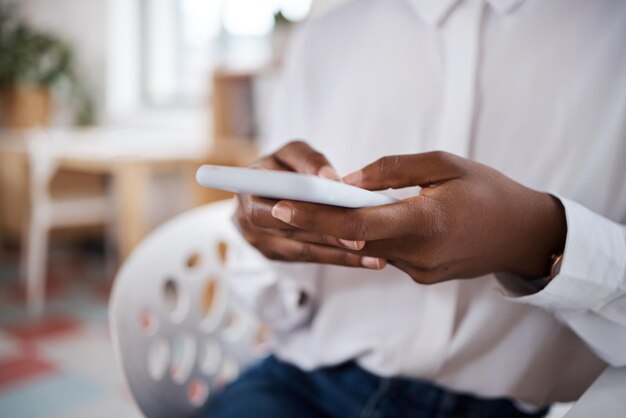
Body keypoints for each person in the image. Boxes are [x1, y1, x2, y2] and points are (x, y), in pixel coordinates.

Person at [203, 0, 626, 417]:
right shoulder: (324, 36)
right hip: (303, 385)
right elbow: (270, 301)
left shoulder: (612, 33)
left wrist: (537, 239)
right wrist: (266, 238)